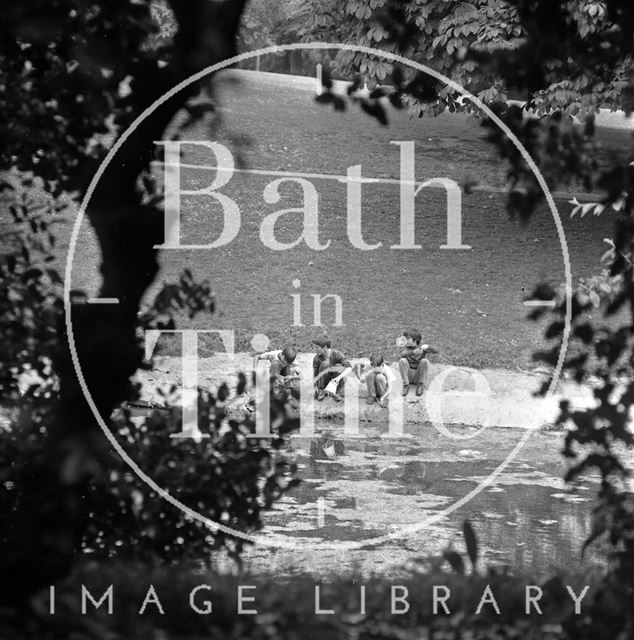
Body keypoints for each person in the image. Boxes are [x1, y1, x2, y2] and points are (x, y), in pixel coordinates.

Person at [312, 336, 354, 402]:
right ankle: (322, 390)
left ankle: (336, 391)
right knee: (325, 364)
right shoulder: (317, 358)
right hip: (324, 382)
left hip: (336, 382)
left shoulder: (337, 354)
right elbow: (315, 374)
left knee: (339, 366)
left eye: (317, 347)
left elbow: (349, 367)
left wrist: (338, 378)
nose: (315, 349)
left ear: (325, 348)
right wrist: (315, 387)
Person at [399, 329, 439, 396]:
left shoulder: (422, 348)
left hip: (418, 376)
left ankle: (420, 384)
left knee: (425, 361)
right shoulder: (407, 348)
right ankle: (406, 385)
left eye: (407, 339)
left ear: (415, 341)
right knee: (402, 360)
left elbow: (436, 351)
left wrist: (428, 347)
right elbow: (402, 355)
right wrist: (413, 352)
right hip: (408, 377)